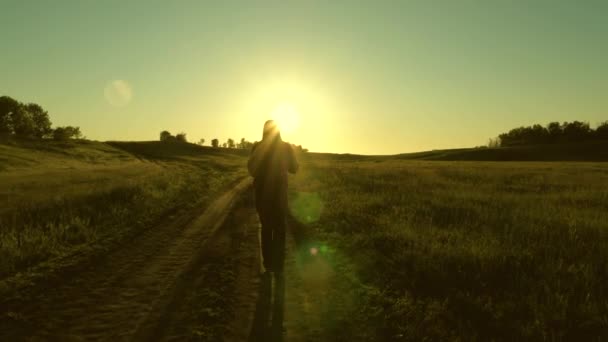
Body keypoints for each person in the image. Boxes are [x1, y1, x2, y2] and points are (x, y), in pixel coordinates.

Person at [248, 120, 298, 273]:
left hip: (262, 193)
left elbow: (251, 169)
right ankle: (279, 265)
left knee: (266, 227)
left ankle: (268, 264)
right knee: (280, 228)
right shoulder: (285, 147)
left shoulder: (257, 147)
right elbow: (294, 169)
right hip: (279, 194)